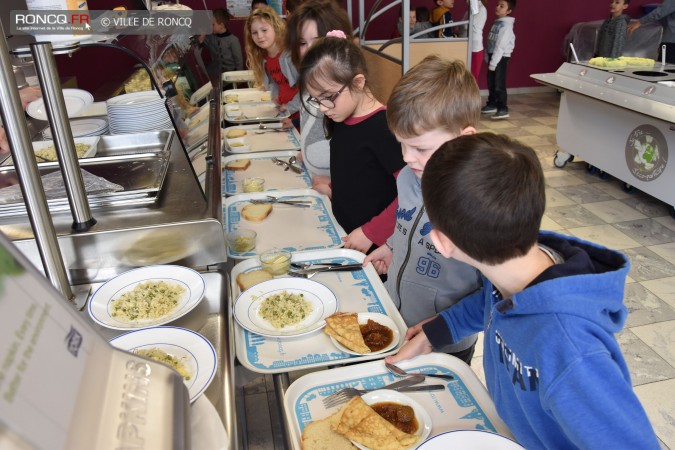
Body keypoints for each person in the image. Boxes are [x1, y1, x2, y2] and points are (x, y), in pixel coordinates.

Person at [385, 132, 661, 449]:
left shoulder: (571, 350)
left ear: (442, 243)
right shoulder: (511, 264)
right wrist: (435, 332)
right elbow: (488, 303)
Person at [363, 56, 482, 364]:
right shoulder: (409, 177)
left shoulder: (481, 205)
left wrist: (443, 328)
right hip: (397, 319)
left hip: (446, 344)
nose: (406, 158)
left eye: (420, 148)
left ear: (463, 139)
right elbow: (409, 224)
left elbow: (499, 295)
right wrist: (391, 248)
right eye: (401, 144)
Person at [298, 33, 405, 253]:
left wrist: (371, 232)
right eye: (316, 100)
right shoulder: (341, 115)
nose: (322, 108)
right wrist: (333, 187)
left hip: (375, 245)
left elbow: (411, 195)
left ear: (358, 82)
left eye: (327, 97)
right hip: (344, 231)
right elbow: (360, 171)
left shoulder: (383, 128)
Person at [284, 0, 353, 191]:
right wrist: (306, 154)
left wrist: (335, 187)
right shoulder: (310, 86)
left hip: (338, 194)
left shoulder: (342, 95)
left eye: (318, 40)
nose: (310, 50)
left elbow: (361, 164)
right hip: (315, 182)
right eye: (303, 43)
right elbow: (314, 126)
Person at [244, 7, 301, 125]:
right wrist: (275, 97)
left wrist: (291, 107)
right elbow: (274, 82)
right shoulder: (265, 59)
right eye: (254, 32)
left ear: (276, 28)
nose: (259, 36)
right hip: (285, 111)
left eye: (264, 30)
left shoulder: (289, 55)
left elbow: (306, 88)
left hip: (299, 113)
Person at [481, 0, 515, 120]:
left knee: (499, 84)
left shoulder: (506, 26)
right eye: (497, 5)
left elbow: (500, 46)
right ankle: (492, 104)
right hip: (493, 56)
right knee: (491, 82)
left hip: (501, 57)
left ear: (509, 11)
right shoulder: (496, 23)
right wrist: (487, 55)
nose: (498, 7)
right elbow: (490, 41)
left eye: (502, 6)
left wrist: (494, 62)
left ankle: (502, 108)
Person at [201, 9, 243, 77]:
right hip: (216, 74)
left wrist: (239, 77)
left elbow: (239, 61)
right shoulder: (210, 37)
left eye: (213, 24)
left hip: (231, 75)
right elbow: (199, 43)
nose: (210, 26)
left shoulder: (233, 40)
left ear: (221, 25)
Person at [468, 0, 488, 80]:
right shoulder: (470, 10)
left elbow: (467, 26)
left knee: (473, 78)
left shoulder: (481, 9)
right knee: (467, 76)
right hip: (468, 46)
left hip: (476, 48)